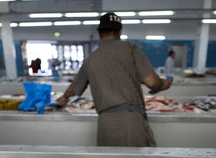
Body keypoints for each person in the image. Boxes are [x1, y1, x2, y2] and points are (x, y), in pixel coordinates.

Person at [58, 12, 172, 147]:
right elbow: (152, 82)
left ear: (99, 34)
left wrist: (64, 98)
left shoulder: (90, 59)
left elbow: (74, 89)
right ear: (120, 31)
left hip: (105, 125)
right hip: (131, 120)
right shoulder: (130, 49)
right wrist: (165, 84)